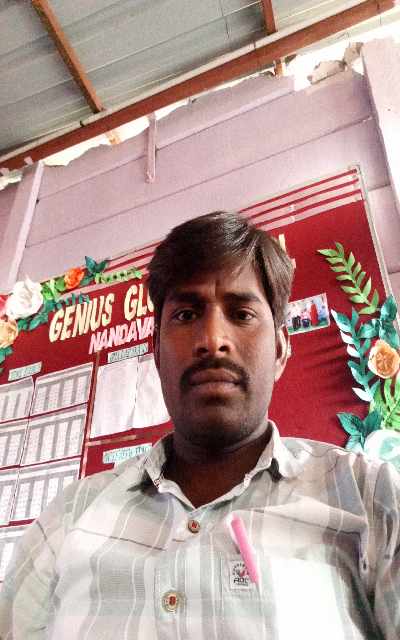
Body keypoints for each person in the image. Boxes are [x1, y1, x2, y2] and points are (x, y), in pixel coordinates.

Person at [0, 211, 399, 639]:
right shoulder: (68, 518)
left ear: (281, 350)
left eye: (241, 314)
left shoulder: (370, 497)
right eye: (186, 315)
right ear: (156, 353)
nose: (213, 339)